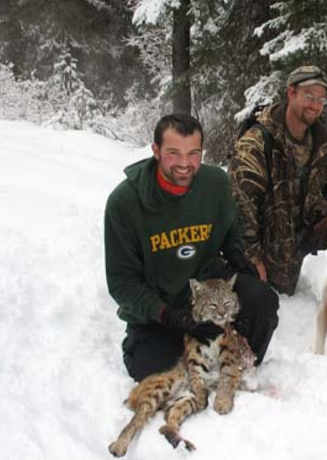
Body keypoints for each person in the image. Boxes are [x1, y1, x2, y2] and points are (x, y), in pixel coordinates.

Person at [105, 114, 279, 382]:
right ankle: (179, 352)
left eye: (193, 153)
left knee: (262, 301)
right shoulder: (124, 203)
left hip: (207, 292)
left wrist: (235, 253)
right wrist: (170, 315)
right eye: (173, 153)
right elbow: (122, 284)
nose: (185, 164)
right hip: (160, 308)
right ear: (156, 150)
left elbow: (230, 229)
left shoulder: (214, 183)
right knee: (159, 371)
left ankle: (237, 366)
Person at [228, 65, 327, 295]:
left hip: (306, 222)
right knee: (278, 290)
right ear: (291, 93)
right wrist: (252, 256)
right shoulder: (256, 142)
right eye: (309, 96)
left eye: (321, 99)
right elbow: (240, 205)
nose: (315, 105)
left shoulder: (320, 139)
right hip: (273, 232)